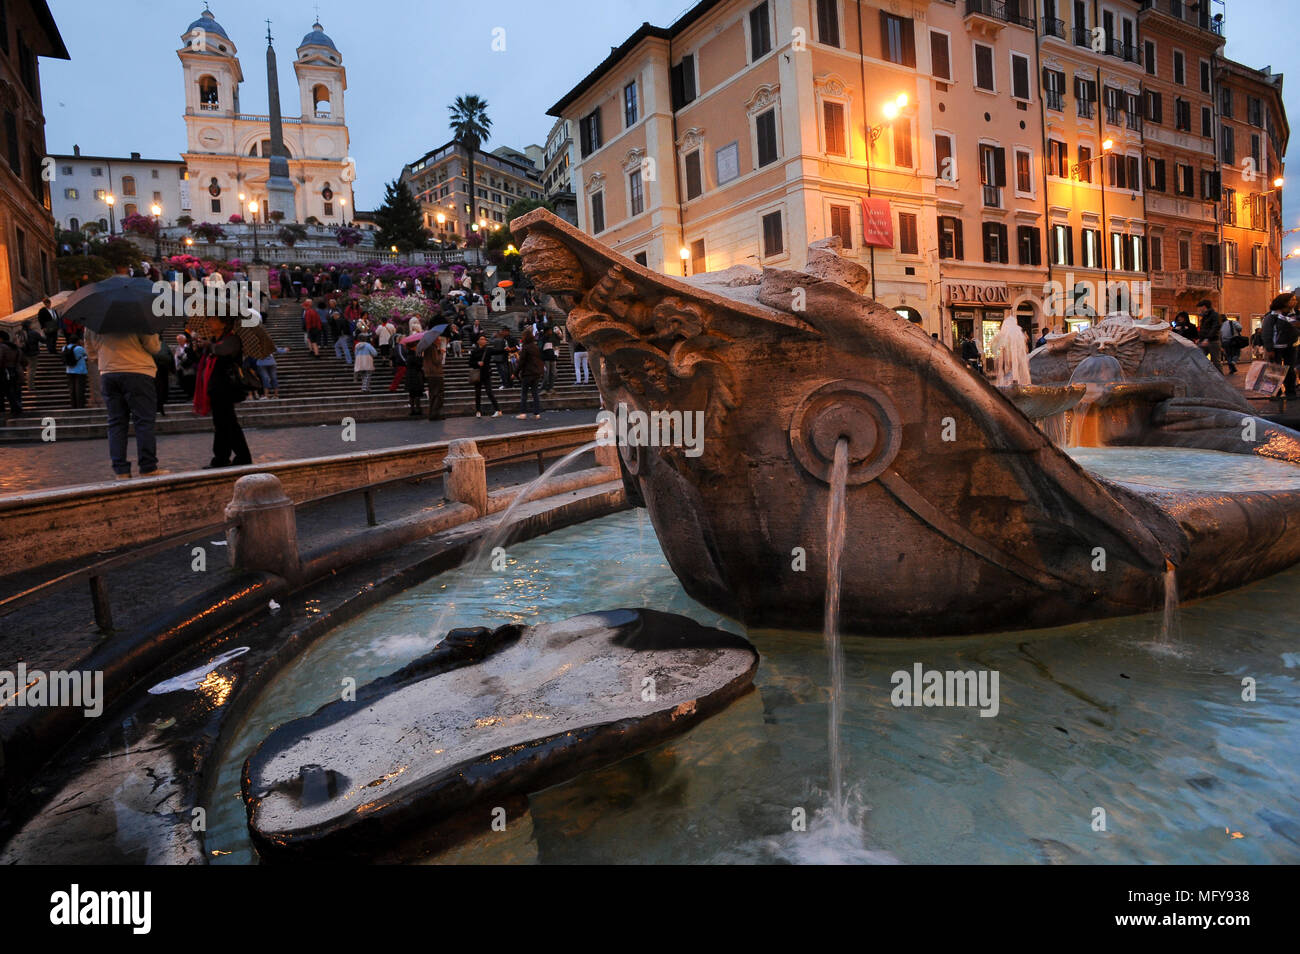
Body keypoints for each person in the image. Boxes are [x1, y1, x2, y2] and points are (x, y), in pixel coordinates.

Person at [85, 325, 161, 478]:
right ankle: (148, 467)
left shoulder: (94, 320)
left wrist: (105, 360)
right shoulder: (136, 315)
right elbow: (153, 347)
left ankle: (121, 470)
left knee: (116, 423)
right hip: (138, 371)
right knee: (144, 421)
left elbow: (90, 350)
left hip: (109, 373)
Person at [205, 318, 253, 468]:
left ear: (223, 323)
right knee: (221, 423)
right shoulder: (215, 339)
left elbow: (223, 352)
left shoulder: (232, 339)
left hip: (226, 386)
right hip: (215, 386)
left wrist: (209, 346)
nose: (208, 323)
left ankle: (241, 456)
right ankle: (222, 456)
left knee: (228, 422)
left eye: (212, 320)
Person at [515, 329, 544, 420]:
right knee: (535, 393)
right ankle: (536, 413)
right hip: (536, 373)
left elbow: (521, 362)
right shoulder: (535, 347)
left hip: (527, 373)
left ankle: (523, 412)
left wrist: (515, 372)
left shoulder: (526, 347)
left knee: (524, 393)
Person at [469, 335, 500, 417]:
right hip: (478, 375)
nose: (483, 340)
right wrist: (477, 363)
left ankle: (498, 410)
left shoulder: (488, 349)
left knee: (489, 392)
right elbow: (470, 363)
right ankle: (478, 411)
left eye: (484, 339)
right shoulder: (474, 351)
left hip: (486, 374)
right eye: (481, 339)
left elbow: (498, 351)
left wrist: (506, 349)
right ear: (478, 341)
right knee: (478, 393)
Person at [0, 331, 26, 421]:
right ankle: (18, 409)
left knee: (6, 392)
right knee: (17, 392)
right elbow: (24, 362)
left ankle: (12, 410)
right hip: (17, 373)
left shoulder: (2, 347)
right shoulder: (17, 348)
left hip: (5, 373)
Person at [422, 334, 446, 420]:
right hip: (436, 373)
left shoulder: (428, 348)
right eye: (439, 339)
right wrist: (441, 353)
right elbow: (437, 360)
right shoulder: (433, 348)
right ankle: (436, 414)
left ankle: (432, 413)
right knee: (438, 394)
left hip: (430, 374)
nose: (440, 341)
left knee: (433, 394)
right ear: (435, 340)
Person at [399, 336, 425, 416]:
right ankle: (417, 409)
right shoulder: (414, 355)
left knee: (412, 394)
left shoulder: (408, 355)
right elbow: (419, 365)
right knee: (416, 393)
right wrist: (422, 357)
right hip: (416, 376)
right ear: (413, 346)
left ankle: (412, 409)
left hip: (410, 376)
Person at [1195, 299, 1223, 371]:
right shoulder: (1205, 316)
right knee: (1198, 358)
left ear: (1204, 307)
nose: (1199, 309)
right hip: (1204, 341)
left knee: (1216, 362)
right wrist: (1200, 339)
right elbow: (1203, 329)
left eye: (1200, 307)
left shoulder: (1215, 315)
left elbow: (1215, 328)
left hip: (1213, 341)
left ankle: (1220, 379)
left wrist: (1207, 339)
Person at [64, 334, 88, 408]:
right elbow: (87, 355)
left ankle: (73, 405)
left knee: (72, 389)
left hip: (69, 370)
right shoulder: (79, 348)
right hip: (80, 371)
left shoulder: (64, 348)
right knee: (79, 389)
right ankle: (80, 405)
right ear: (77, 340)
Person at [175, 332, 199, 398]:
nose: (178, 341)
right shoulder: (177, 348)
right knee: (184, 383)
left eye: (180, 339)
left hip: (190, 368)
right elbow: (176, 358)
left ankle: (192, 395)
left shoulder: (189, 346)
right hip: (181, 368)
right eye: (178, 340)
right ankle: (189, 394)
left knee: (190, 382)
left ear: (184, 340)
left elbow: (192, 356)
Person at [153, 338, 172, 415]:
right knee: (161, 389)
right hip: (162, 370)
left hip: (156, 370)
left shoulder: (160, 345)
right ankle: (160, 407)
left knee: (158, 389)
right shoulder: (164, 345)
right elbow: (169, 357)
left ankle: (159, 407)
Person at [540, 324, 558, 392]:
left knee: (553, 373)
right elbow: (540, 349)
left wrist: (555, 355)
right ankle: (543, 388)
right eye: (550, 331)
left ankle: (551, 387)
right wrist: (541, 359)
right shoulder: (542, 339)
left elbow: (553, 348)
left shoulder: (551, 338)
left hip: (552, 358)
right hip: (545, 359)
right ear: (546, 331)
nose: (551, 332)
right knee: (546, 374)